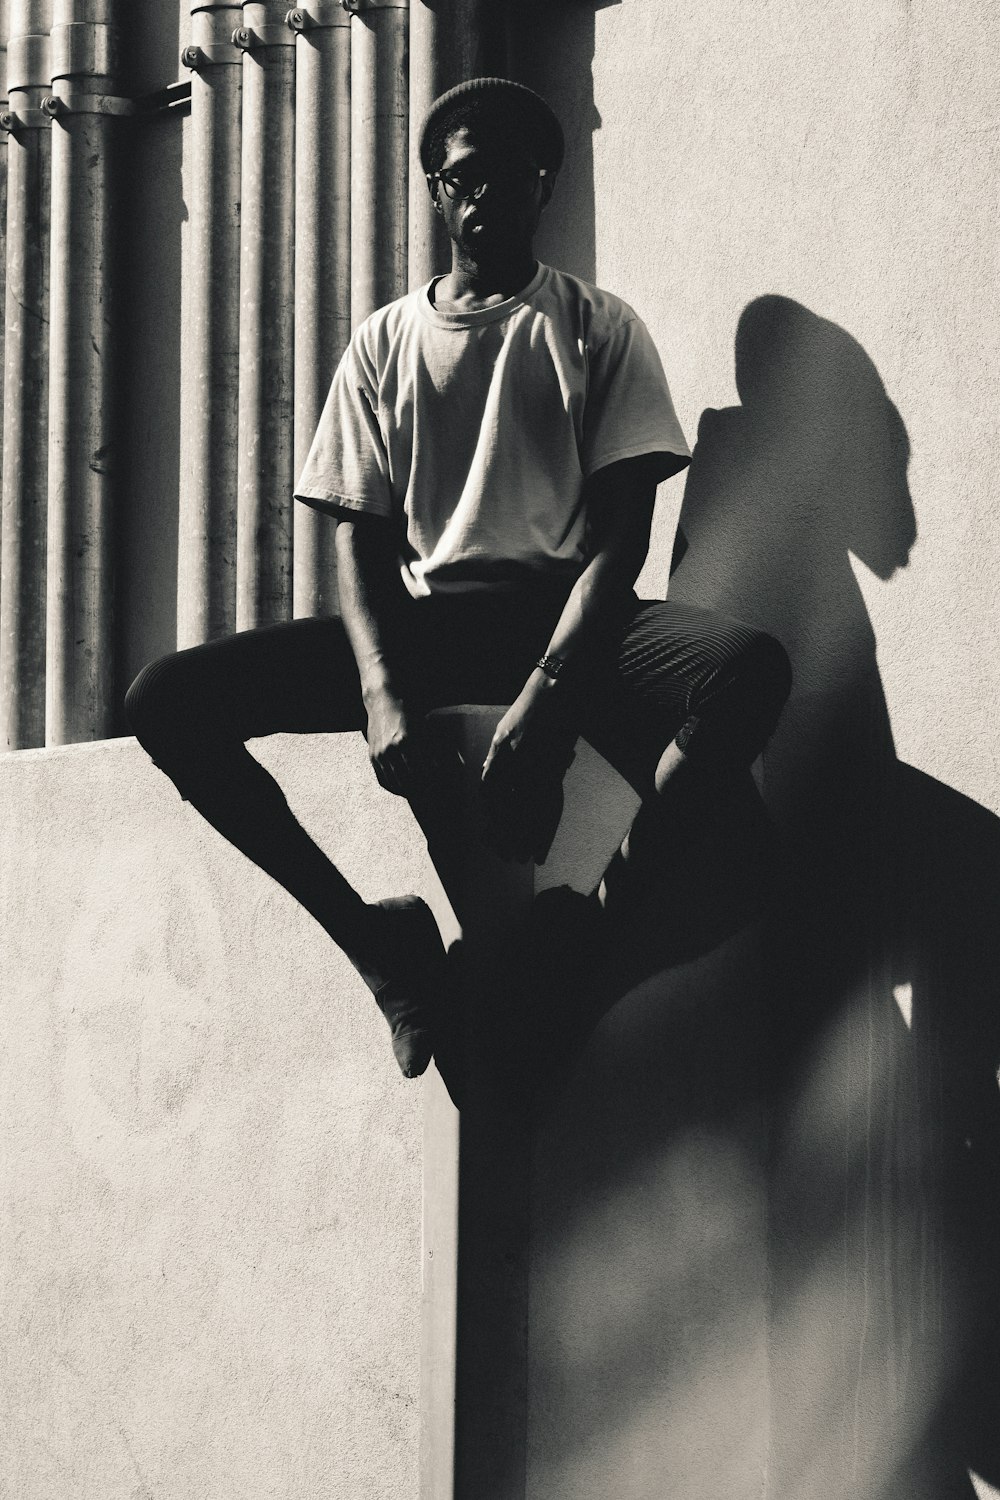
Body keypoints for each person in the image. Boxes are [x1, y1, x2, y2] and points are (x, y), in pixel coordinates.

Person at [126, 77, 791, 1082]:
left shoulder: (596, 327)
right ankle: (375, 945)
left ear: (545, 186)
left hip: (571, 619)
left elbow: (622, 538)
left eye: (512, 177)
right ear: (437, 191)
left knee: (745, 672)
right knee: (168, 700)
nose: (487, 197)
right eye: (464, 177)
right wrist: (381, 690)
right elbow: (352, 538)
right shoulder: (384, 343)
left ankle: (585, 933)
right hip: (430, 629)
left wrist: (546, 699)